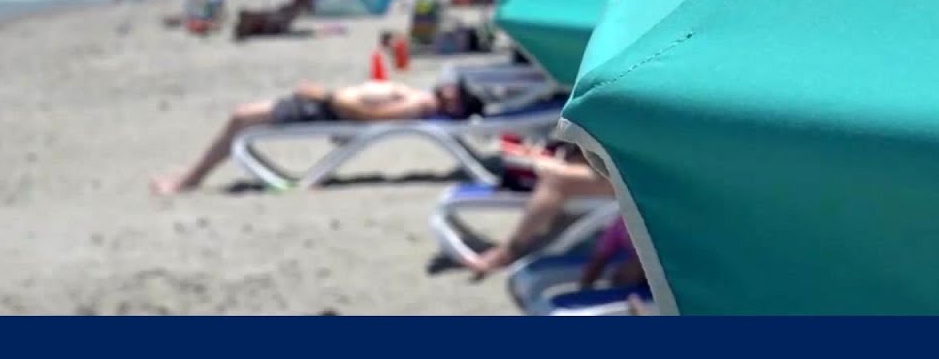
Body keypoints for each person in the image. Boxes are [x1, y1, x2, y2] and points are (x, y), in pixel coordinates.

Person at [150, 77, 486, 195]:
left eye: (458, 92)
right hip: (324, 105)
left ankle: (190, 180)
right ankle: (191, 177)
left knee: (241, 117)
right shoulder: (422, 100)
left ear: (454, 106)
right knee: (241, 118)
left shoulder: (417, 106)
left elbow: (369, 116)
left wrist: (324, 96)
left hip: (324, 111)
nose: (451, 86)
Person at [461, 146, 615, 278]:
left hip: (630, 177)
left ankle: (507, 252)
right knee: (549, 166)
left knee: (558, 179)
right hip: (612, 165)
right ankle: (545, 228)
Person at [232, 0, 315, 40]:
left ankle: (247, 19)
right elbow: (280, 25)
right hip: (273, 20)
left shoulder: (290, 10)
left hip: (273, 19)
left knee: (265, 18)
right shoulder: (290, 10)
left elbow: (280, 23)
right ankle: (247, 19)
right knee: (266, 18)